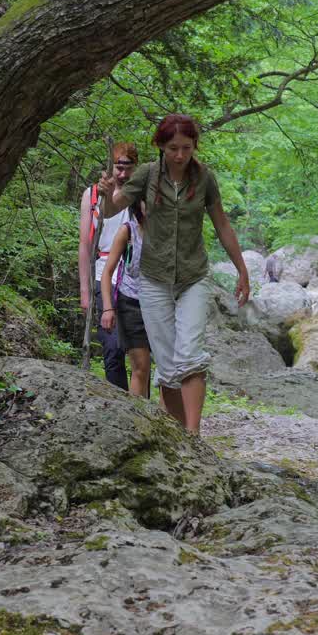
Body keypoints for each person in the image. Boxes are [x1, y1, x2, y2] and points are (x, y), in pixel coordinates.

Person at [100, 114, 250, 434]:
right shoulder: (147, 175)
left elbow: (222, 224)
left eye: (186, 147)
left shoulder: (204, 178)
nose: (180, 155)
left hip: (193, 276)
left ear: (195, 145)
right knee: (167, 367)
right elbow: (112, 209)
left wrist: (242, 270)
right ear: (160, 147)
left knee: (190, 355)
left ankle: (194, 435)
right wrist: (105, 193)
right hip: (153, 281)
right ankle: (180, 434)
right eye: (172, 148)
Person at [79, 143, 136, 390]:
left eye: (128, 167)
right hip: (103, 276)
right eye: (118, 167)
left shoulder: (139, 194)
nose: (122, 174)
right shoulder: (91, 195)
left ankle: (141, 409)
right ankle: (121, 405)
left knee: (137, 352)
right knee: (112, 350)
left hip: (134, 277)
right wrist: (84, 292)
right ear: (110, 167)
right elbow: (85, 244)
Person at [100, 201, 151, 398]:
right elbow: (107, 272)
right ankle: (139, 422)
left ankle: (163, 421)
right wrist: (107, 308)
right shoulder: (127, 231)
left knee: (167, 368)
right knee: (141, 367)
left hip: (161, 304)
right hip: (131, 303)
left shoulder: (169, 233)